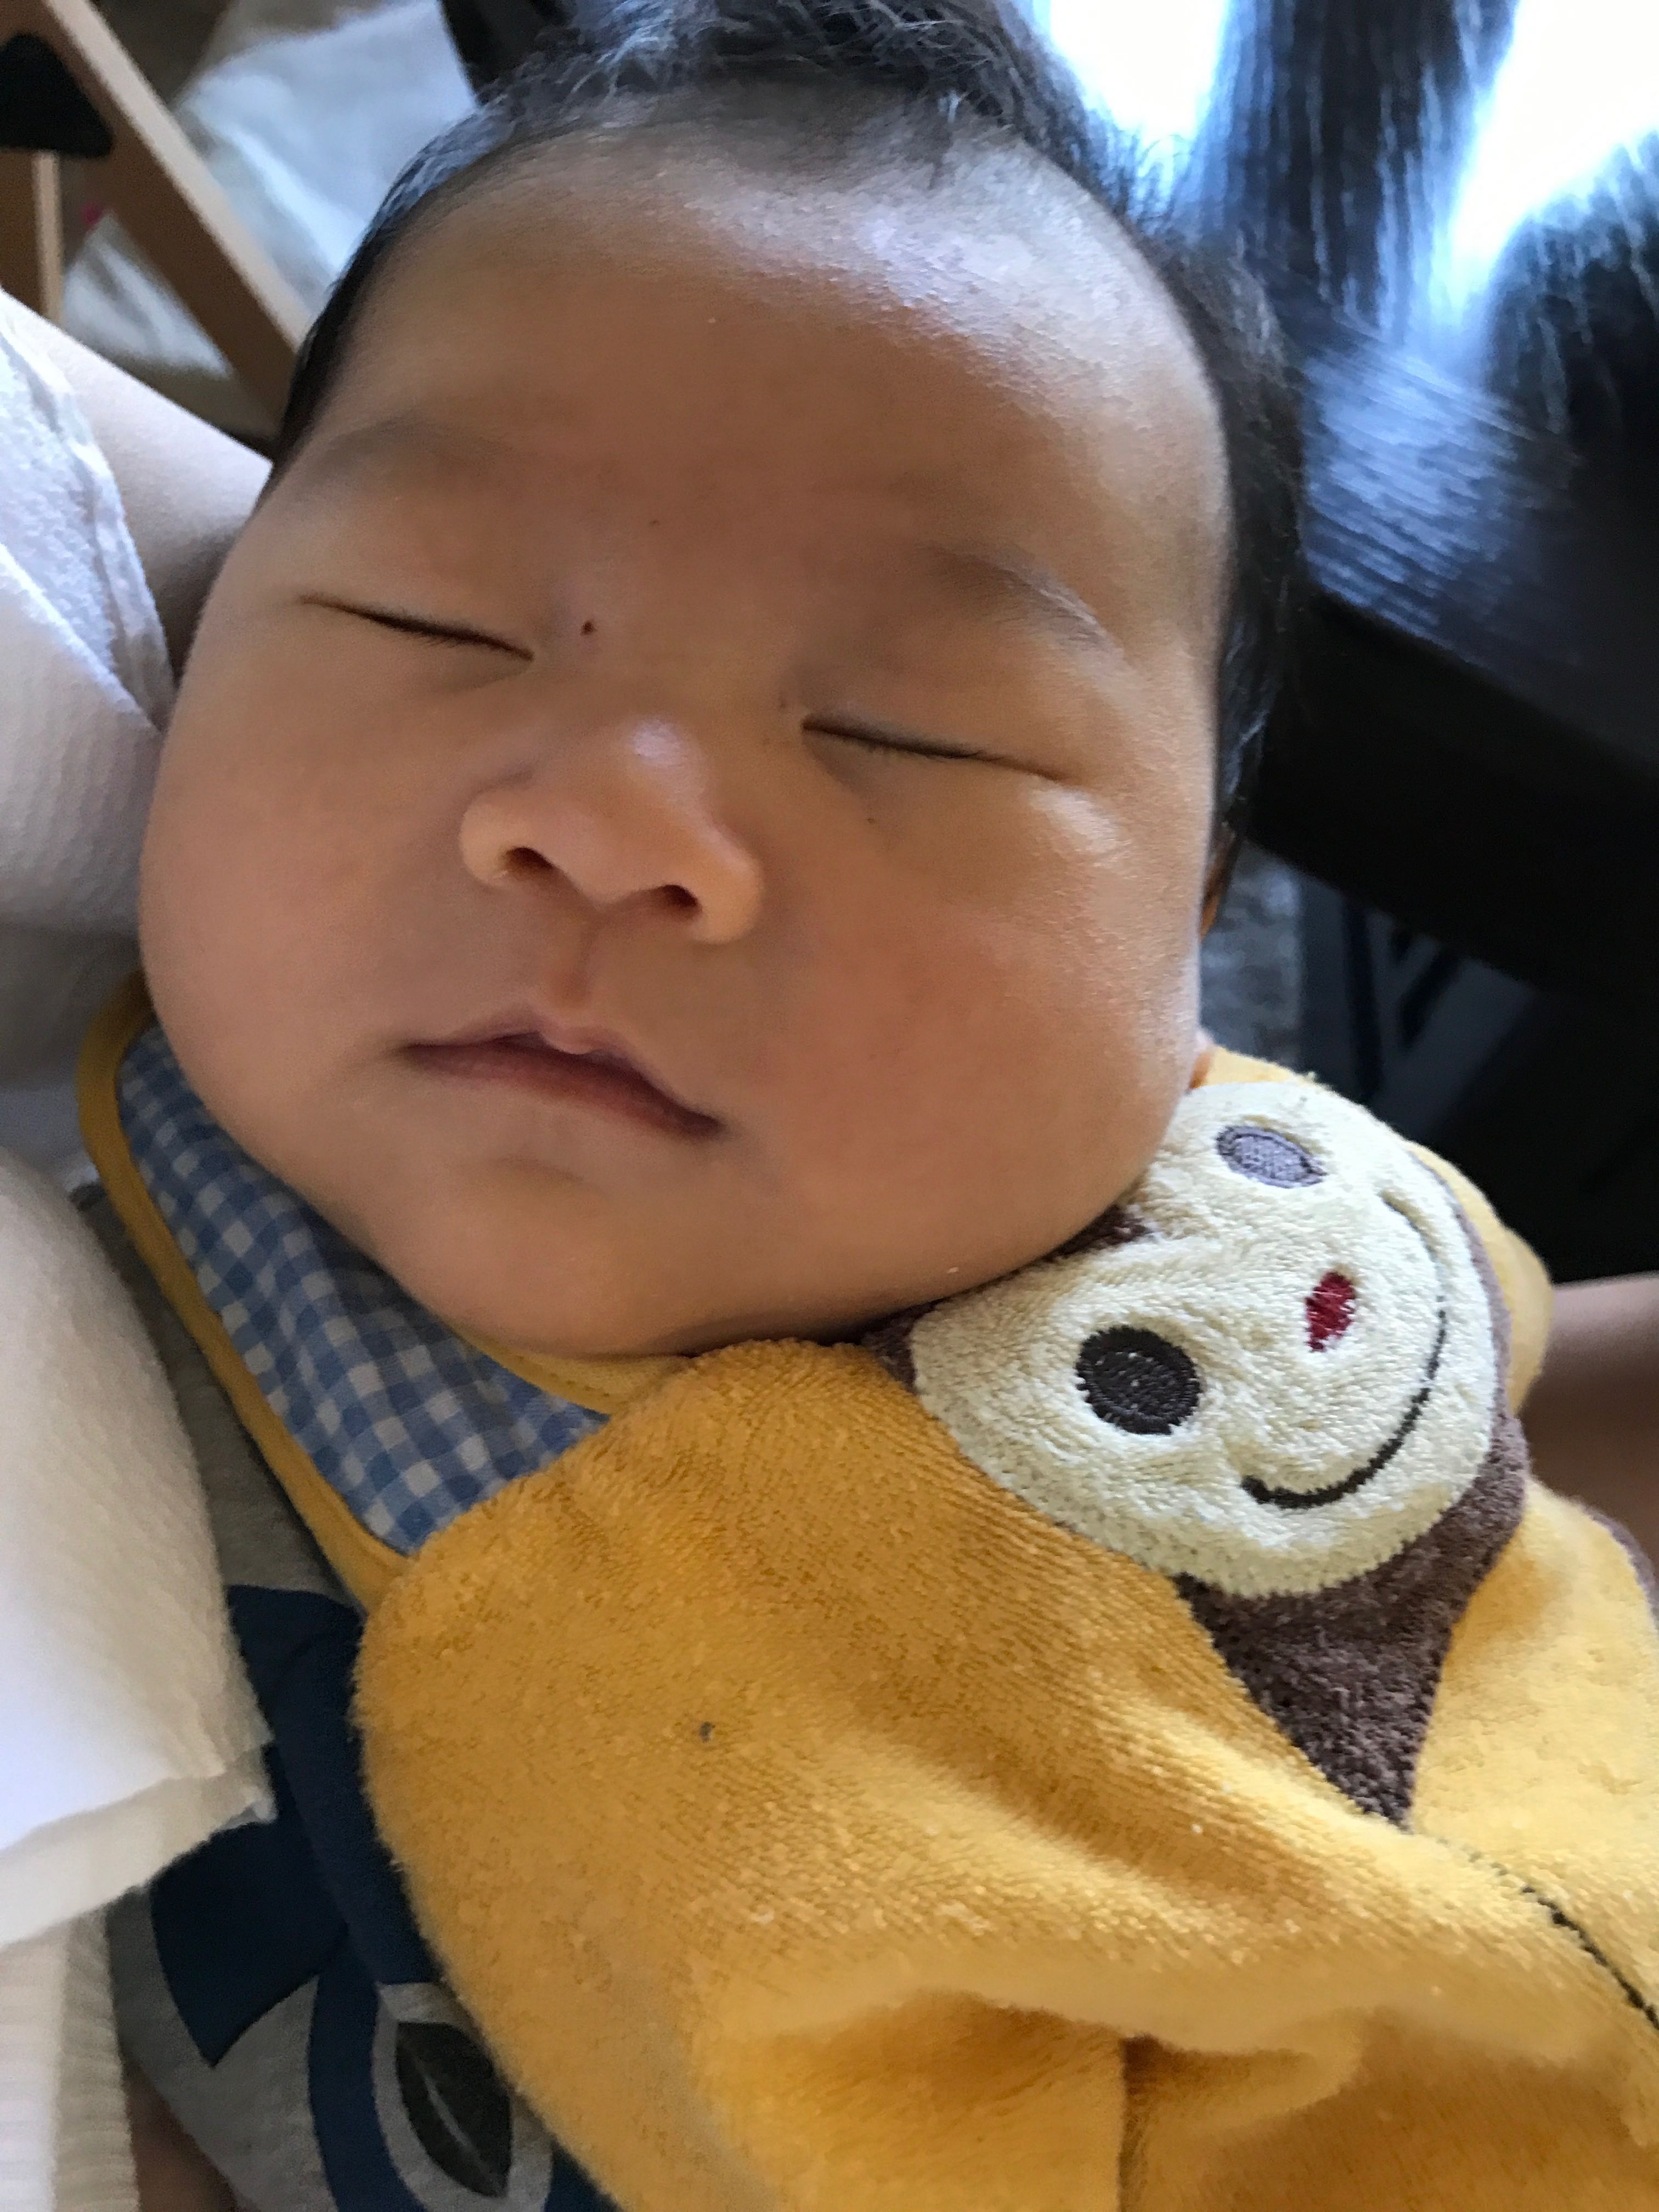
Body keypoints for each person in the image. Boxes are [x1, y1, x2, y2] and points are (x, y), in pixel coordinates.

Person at [5, 1, 1653, 2205]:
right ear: (185, 652)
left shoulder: (1284, 1286)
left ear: (1196, 925)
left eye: (909, 732)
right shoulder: (90, 1312)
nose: (613, 825)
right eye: (435, 621)